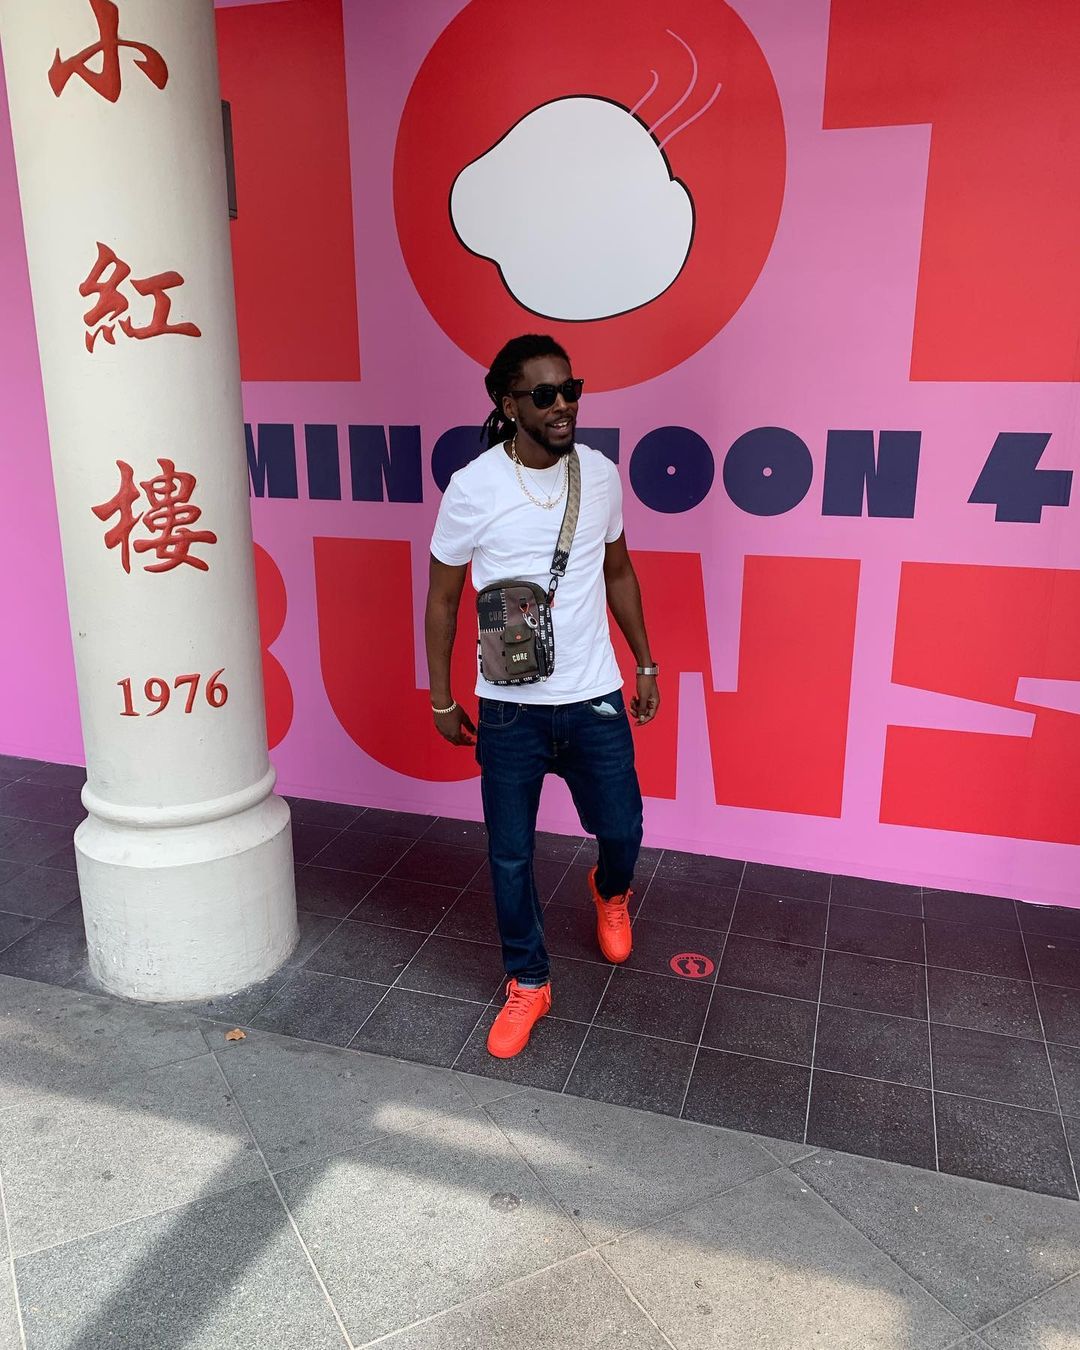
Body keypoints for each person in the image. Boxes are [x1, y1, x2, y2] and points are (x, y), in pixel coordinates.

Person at [425, 334, 659, 1059]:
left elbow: (618, 571)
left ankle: (609, 890)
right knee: (510, 854)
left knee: (623, 828)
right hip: (509, 707)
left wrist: (645, 663)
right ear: (509, 403)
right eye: (545, 395)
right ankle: (528, 980)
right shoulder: (474, 486)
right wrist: (441, 699)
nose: (564, 406)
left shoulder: (600, 475)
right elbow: (443, 599)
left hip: (593, 695)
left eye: (571, 390)